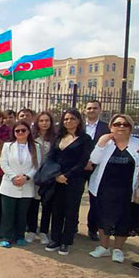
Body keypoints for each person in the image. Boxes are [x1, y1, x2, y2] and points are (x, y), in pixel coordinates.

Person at [88, 114, 139, 263]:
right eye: (117, 124)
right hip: (105, 189)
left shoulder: (138, 144)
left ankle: (117, 249)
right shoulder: (107, 143)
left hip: (127, 190)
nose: (121, 127)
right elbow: (94, 160)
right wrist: (101, 143)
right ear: (111, 127)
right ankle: (104, 247)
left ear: (131, 128)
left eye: (125, 124)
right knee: (103, 218)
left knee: (124, 220)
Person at [45, 109, 93, 255]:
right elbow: (50, 157)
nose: (68, 121)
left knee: (71, 211)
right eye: (66, 119)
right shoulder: (58, 137)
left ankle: (66, 241)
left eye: (72, 118)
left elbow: (83, 161)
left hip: (75, 179)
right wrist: (57, 175)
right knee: (57, 209)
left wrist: (67, 176)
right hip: (57, 179)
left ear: (78, 121)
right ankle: (55, 239)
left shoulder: (85, 139)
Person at [0, 120, 41, 248]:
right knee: (8, 213)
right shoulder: (7, 146)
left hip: (27, 184)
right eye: (17, 131)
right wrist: (13, 177)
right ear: (14, 133)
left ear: (28, 132)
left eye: (23, 130)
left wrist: (26, 177)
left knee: (22, 213)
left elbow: (37, 165)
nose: (20, 132)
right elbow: (3, 163)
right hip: (9, 184)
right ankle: (6, 236)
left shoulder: (35, 147)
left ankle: (20, 236)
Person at [27, 111, 56, 244]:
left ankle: (43, 231)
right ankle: (32, 230)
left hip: (49, 176)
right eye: (41, 121)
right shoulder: (32, 137)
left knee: (47, 204)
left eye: (47, 120)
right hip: (34, 174)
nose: (44, 123)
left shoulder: (55, 138)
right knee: (33, 204)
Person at [84, 100, 110, 241]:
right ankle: (72, 226)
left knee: (95, 199)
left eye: (95, 108)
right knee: (73, 199)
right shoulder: (78, 126)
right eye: (89, 108)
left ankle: (92, 228)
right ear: (85, 110)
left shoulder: (107, 128)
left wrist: (92, 162)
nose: (92, 110)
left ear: (100, 110)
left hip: (98, 168)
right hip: (79, 168)